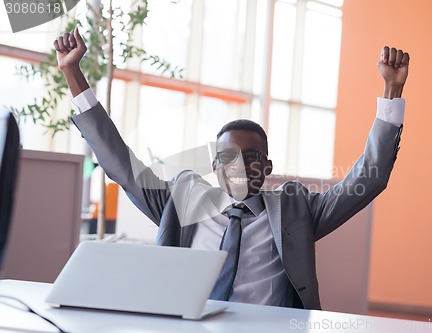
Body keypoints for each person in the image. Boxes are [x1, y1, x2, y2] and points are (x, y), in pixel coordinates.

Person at [54, 28, 409, 310]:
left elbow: (369, 177)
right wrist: (73, 73)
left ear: (267, 166)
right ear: (214, 166)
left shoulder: (296, 209)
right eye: (228, 157)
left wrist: (391, 90)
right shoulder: (182, 202)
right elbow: (121, 166)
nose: (238, 166)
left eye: (251, 156)